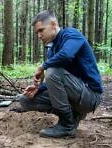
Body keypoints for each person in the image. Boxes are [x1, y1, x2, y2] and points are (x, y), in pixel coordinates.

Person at [18, 10, 103, 138]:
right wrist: (38, 88)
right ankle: (73, 116)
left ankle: (66, 125)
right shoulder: (51, 50)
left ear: (53, 24)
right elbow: (57, 82)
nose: (39, 36)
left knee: (51, 72)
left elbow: (67, 55)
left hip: (90, 96)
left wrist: (43, 66)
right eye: (37, 33)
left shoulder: (71, 34)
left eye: (41, 30)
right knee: (25, 100)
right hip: (74, 93)